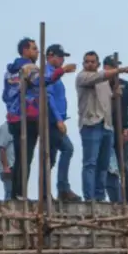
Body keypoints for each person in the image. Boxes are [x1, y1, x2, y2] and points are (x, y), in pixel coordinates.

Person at [2, 37, 75, 199]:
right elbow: (42, 81)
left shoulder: (10, 71)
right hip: (28, 117)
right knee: (26, 157)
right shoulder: (28, 67)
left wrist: (13, 107)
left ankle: (17, 193)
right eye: (34, 49)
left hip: (14, 117)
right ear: (25, 51)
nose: (37, 52)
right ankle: (20, 193)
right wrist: (62, 71)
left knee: (22, 156)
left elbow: (5, 95)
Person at [75, 51, 128, 201]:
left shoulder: (104, 83)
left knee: (103, 165)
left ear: (98, 64)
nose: (89, 64)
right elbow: (99, 76)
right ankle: (90, 196)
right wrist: (120, 70)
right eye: (87, 61)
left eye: (93, 62)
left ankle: (99, 196)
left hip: (106, 126)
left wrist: (115, 95)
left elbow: (108, 102)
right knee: (90, 163)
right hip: (91, 124)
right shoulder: (83, 77)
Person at [43, 44, 81, 202]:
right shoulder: (47, 73)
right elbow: (48, 97)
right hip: (51, 121)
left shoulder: (54, 75)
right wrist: (58, 119)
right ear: (51, 56)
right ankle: (63, 188)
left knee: (49, 158)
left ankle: (46, 192)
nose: (62, 60)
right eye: (59, 56)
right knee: (67, 148)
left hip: (55, 120)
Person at [103, 54, 128, 202]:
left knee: (123, 166)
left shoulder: (127, 86)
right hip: (104, 129)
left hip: (121, 130)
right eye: (112, 67)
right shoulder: (100, 85)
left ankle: (127, 199)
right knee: (106, 167)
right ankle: (114, 198)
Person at [0, 122, 14, 201]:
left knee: (15, 194)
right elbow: (1, 148)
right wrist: (6, 166)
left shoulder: (17, 128)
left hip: (15, 167)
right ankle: (8, 210)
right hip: (8, 167)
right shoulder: (5, 128)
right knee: (9, 192)